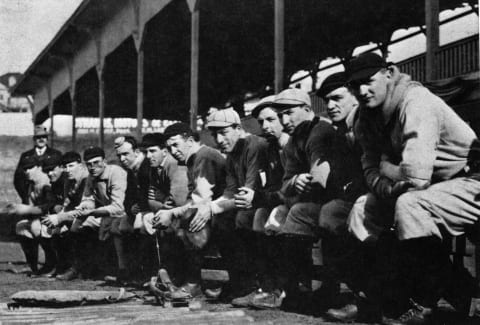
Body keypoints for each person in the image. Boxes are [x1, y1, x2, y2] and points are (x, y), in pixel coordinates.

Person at [346, 52, 480, 324]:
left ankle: (426, 303)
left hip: (470, 181)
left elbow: (415, 178)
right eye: (354, 85)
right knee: (362, 210)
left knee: (411, 205)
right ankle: (387, 296)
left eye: (368, 81)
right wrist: (388, 186)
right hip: (426, 189)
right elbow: (368, 170)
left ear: (389, 73)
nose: (361, 90)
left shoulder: (415, 101)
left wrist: (386, 170)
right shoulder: (365, 117)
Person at [248, 87, 365, 311]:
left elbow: (320, 180)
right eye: (281, 114)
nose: (285, 119)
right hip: (324, 200)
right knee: (297, 213)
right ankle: (297, 288)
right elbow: (286, 183)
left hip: (346, 197)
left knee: (311, 213)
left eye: (289, 113)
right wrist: (294, 182)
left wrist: (296, 185)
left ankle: (333, 288)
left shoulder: (320, 130)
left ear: (307, 109)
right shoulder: (294, 140)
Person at [191, 108, 270, 302]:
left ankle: (253, 286)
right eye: (214, 134)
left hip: (265, 201)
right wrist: (206, 209)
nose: (219, 140)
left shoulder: (254, 145)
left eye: (224, 132)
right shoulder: (232, 154)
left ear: (238, 128)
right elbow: (230, 192)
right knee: (221, 220)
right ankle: (238, 283)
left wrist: (211, 208)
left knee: (240, 218)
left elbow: (246, 194)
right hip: (250, 203)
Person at [154, 122, 227, 299]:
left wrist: (172, 213)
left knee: (188, 218)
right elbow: (192, 198)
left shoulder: (204, 156)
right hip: (215, 209)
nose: (173, 150)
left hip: (226, 209)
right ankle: (178, 278)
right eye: (169, 147)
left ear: (191, 140)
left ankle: (193, 283)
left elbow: (200, 200)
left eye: (176, 144)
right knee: (176, 219)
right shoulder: (191, 161)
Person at [229, 95, 290, 307]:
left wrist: (259, 197)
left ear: (284, 117)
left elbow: (288, 190)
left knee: (271, 217)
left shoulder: (291, 143)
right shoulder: (269, 146)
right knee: (251, 216)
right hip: (280, 200)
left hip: (299, 202)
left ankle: (284, 288)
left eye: (271, 119)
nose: (265, 126)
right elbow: (271, 187)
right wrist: (256, 197)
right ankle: (264, 287)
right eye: (262, 122)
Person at [67, 147, 129, 282]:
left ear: (104, 161)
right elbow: (88, 199)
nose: (92, 167)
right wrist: (83, 207)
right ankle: (80, 267)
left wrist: (92, 212)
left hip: (121, 213)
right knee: (76, 225)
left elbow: (119, 206)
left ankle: (119, 269)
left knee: (109, 227)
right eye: (89, 164)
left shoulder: (116, 173)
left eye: (96, 162)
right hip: (104, 213)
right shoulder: (91, 176)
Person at [40, 151, 91, 281]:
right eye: (65, 166)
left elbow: (86, 207)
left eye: (71, 166)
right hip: (76, 213)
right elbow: (67, 204)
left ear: (80, 164)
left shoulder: (87, 178)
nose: (68, 170)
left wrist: (61, 218)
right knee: (54, 228)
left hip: (90, 213)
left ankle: (76, 268)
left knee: (74, 227)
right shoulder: (68, 180)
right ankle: (61, 266)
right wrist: (58, 218)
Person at [7, 155, 58, 275]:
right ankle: (31, 265)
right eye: (25, 169)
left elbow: (50, 205)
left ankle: (52, 264)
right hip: (40, 217)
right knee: (21, 226)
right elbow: (29, 205)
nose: (27, 171)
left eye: (31, 167)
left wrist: (27, 210)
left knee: (35, 226)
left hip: (53, 218)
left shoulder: (45, 181)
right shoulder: (31, 183)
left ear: (39, 167)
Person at [111, 136, 151, 281]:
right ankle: (125, 269)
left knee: (139, 224)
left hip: (152, 210)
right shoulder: (130, 170)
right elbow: (127, 198)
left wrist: (139, 207)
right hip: (139, 210)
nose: (122, 159)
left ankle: (146, 272)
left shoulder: (147, 165)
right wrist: (131, 208)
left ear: (136, 151)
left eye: (125, 154)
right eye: (119, 155)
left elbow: (151, 194)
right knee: (118, 225)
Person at [14, 126, 61, 204]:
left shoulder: (56, 154)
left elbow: (61, 177)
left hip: (50, 196)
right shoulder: (26, 156)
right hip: (31, 197)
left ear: (47, 139)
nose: (41, 139)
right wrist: (25, 196)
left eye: (44, 137)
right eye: (38, 137)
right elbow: (18, 178)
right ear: (34, 139)